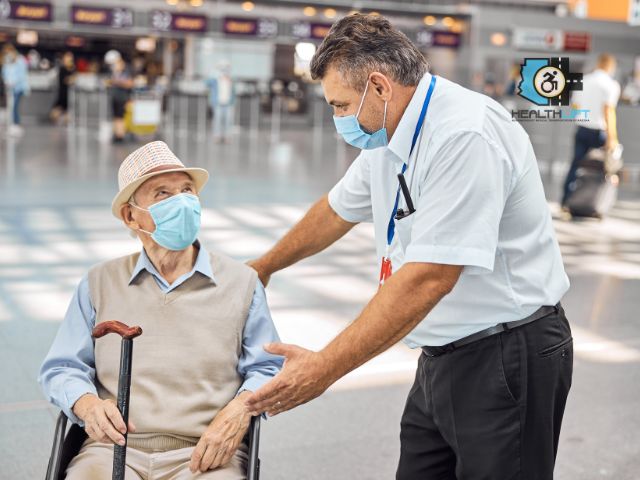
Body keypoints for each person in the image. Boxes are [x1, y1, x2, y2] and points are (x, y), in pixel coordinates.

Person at [244, 14, 572, 480]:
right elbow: (336, 210)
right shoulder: (389, 132)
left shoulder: (464, 135)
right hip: (442, 353)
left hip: (507, 355)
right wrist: (263, 267)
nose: (337, 118)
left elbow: (429, 278)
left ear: (379, 87)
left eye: (339, 105)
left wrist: (323, 369)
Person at [39, 141, 283, 479]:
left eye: (187, 190)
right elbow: (61, 367)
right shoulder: (99, 282)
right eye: (163, 194)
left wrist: (240, 409)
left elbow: (268, 367)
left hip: (205, 452)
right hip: (113, 448)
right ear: (130, 215)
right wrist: (87, 404)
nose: (182, 201)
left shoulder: (243, 283)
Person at [561, 53, 620, 209]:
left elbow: (575, 107)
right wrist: (612, 137)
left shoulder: (584, 81)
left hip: (582, 128)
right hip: (600, 132)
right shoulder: (611, 85)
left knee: (575, 165)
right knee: (607, 168)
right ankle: (597, 203)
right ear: (610, 67)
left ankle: (566, 201)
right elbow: (608, 112)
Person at [1, 44, 30, 137]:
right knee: (10, 106)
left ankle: (16, 124)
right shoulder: (6, 61)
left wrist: (14, 81)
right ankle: (11, 125)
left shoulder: (20, 60)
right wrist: (7, 81)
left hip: (19, 88)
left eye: (9, 52)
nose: (8, 54)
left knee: (14, 106)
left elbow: (22, 74)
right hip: (10, 88)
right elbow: (4, 73)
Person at [106, 51, 133, 143]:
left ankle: (121, 135)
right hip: (115, 97)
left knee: (121, 116)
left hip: (122, 97)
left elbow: (129, 84)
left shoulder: (126, 72)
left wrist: (116, 82)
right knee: (116, 116)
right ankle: (117, 134)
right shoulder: (114, 72)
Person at [207, 61, 236, 143]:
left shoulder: (231, 80)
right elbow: (206, 82)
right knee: (217, 120)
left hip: (228, 103)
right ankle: (217, 136)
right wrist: (213, 70)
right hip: (218, 103)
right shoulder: (215, 80)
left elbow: (233, 91)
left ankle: (227, 136)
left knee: (228, 120)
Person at [49, 51, 76, 124]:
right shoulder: (62, 69)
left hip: (69, 95)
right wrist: (71, 79)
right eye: (67, 57)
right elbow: (66, 80)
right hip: (62, 94)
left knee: (67, 117)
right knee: (54, 114)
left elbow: (74, 79)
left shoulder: (73, 69)